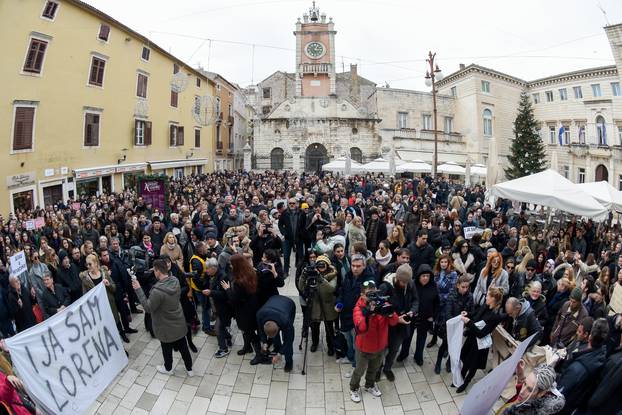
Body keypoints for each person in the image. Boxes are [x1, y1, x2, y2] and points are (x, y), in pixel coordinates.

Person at [132, 258, 194, 377]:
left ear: (158, 272)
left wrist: (138, 289)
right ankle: (189, 369)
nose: (153, 273)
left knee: (166, 349)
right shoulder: (175, 280)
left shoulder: (157, 291)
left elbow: (148, 308)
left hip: (165, 327)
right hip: (179, 323)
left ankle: (168, 368)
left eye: (154, 271)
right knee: (183, 347)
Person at [348, 280, 404, 403]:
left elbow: (393, 322)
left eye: (374, 293)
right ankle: (354, 388)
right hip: (363, 348)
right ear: (362, 295)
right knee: (359, 370)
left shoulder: (382, 303)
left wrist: (390, 314)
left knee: (374, 368)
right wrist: (369, 314)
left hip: (380, 346)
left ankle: (369, 385)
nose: (372, 297)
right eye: (369, 294)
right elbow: (361, 328)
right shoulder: (358, 309)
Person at [457, 286, 505, 393]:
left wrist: (468, 322)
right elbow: (475, 315)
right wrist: (467, 314)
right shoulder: (485, 305)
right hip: (471, 338)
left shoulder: (495, 317)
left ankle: (466, 382)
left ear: (493, 298)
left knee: (473, 365)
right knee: (465, 360)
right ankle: (460, 377)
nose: (486, 297)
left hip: (480, 344)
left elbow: (481, 334)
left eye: (488, 295)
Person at [556, 318, 609, 414]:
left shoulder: (578, 368)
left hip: (562, 405)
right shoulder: (600, 355)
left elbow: (558, 393)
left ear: (589, 336)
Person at [378, 263, 418, 381]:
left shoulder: (410, 284)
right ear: (397, 278)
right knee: (382, 349)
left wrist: (412, 311)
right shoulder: (385, 287)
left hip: (401, 326)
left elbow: (416, 300)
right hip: (387, 325)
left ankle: (387, 368)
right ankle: (378, 369)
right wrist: (395, 318)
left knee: (394, 349)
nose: (404, 285)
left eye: (406, 282)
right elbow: (379, 307)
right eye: (402, 282)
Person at [223, 254, 265, 364]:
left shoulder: (238, 282)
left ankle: (259, 354)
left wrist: (227, 289)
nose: (230, 266)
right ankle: (247, 347)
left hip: (244, 311)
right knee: (247, 331)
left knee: (249, 332)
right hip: (254, 306)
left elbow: (234, 299)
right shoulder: (251, 272)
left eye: (231, 264)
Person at [79, 254, 128, 343]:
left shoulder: (104, 273)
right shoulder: (85, 279)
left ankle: (122, 335)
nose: (88, 266)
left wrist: (108, 284)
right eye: (87, 264)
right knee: (108, 329)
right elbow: (85, 297)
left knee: (116, 323)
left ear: (96, 263)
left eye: (90, 264)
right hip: (98, 309)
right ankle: (115, 345)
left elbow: (114, 288)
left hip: (110, 305)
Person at [297, 255, 338, 355]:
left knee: (329, 328)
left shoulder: (332, 274)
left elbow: (331, 289)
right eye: (319, 264)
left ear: (328, 265)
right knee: (314, 327)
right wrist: (303, 276)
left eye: (323, 265)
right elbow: (301, 287)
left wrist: (320, 278)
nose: (321, 267)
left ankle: (330, 346)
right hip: (314, 304)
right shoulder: (312, 274)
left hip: (327, 305)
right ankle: (315, 343)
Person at [436, 275, 474, 374]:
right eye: (463, 287)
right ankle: (438, 362)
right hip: (450, 326)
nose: (465, 289)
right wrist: (458, 318)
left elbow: (472, 311)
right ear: (457, 285)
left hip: (461, 327)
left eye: (467, 287)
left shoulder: (470, 296)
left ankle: (449, 362)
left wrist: (467, 314)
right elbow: (448, 313)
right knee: (445, 345)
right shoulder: (451, 296)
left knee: (455, 346)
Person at [497, 363, 565, 415]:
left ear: (541, 393)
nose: (521, 391)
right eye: (524, 383)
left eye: (529, 390)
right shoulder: (526, 399)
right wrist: (520, 377)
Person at [256, 295, 296, 372]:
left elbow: (289, 341)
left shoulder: (286, 321)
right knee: (274, 337)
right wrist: (264, 342)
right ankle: (277, 346)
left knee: (286, 337)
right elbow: (260, 330)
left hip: (289, 304)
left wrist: (279, 354)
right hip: (273, 299)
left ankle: (289, 362)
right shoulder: (259, 315)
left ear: (278, 328)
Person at [428, 254, 458, 349]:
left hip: (446, 302)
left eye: (445, 262)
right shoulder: (437, 272)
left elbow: (452, 290)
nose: (444, 264)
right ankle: (434, 338)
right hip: (437, 302)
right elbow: (433, 287)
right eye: (442, 262)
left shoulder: (453, 274)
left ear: (449, 263)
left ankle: (445, 345)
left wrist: (441, 297)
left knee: (445, 323)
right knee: (436, 322)